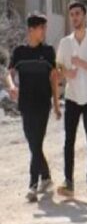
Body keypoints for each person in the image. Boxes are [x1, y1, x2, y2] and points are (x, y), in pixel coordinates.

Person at [5, 13, 60, 203]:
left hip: (43, 103)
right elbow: (9, 72)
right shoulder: (19, 52)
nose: (44, 31)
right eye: (41, 28)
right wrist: (12, 86)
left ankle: (32, 185)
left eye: (45, 27)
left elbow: (54, 78)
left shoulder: (48, 51)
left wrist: (56, 103)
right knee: (33, 143)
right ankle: (45, 176)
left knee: (36, 142)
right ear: (31, 29)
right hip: (25, 104)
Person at [56, 1, 87, 197]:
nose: (75, 17)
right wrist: (66, 71)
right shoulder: (65, 43)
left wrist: (81, 64)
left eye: (78, 14)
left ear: (84, 16)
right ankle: (68, 182)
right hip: (72, 97)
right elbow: (58, 67)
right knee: (69, 140)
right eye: (72, 14)